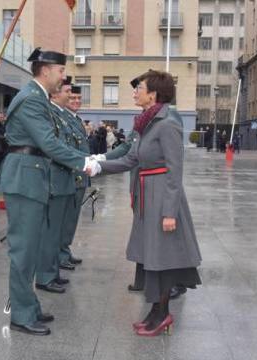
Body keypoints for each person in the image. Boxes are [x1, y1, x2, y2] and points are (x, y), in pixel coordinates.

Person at [94, 70, 202, 336]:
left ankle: (163, 313)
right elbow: (131, 160)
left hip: (162, 197)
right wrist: (97, 166)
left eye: (138, 88)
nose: (134, 92)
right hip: (147, 196)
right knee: (150, 257)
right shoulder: (146, 122)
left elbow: (175, 172)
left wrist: (170, 213)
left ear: (152, 94)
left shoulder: (167, 124)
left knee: (162, 258)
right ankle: (155, 310)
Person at [0, 48, 91, 336]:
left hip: (34, 174)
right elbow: (48, 143)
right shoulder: (31, 99)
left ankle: (30, 305)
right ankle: (21, 314)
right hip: (26, 176)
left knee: (33, 246)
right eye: (61, 71)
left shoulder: (37, 98)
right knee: (24, 249)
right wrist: (85, 162)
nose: (63, 77)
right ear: (46, 70)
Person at [35, 76, 77, 293]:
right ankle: (44, 276)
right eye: (65, 91)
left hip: (63, 178)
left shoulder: (60, 116)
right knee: (49, 233)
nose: (69, 95)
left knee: (56, 232)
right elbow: (53, 146)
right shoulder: (48, 113)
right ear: (55, 94)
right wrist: (84, 161)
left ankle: (52, 273)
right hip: (53, 178)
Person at [58, 84, 89, 270]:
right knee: (65, 218)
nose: (76, 101)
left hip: (80, 175)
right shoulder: (63, 119)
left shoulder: (76, 119)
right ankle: (60, 254)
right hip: (71, 175)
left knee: (72, 218)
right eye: (72, 98)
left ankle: (65, 249)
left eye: (79, 98)